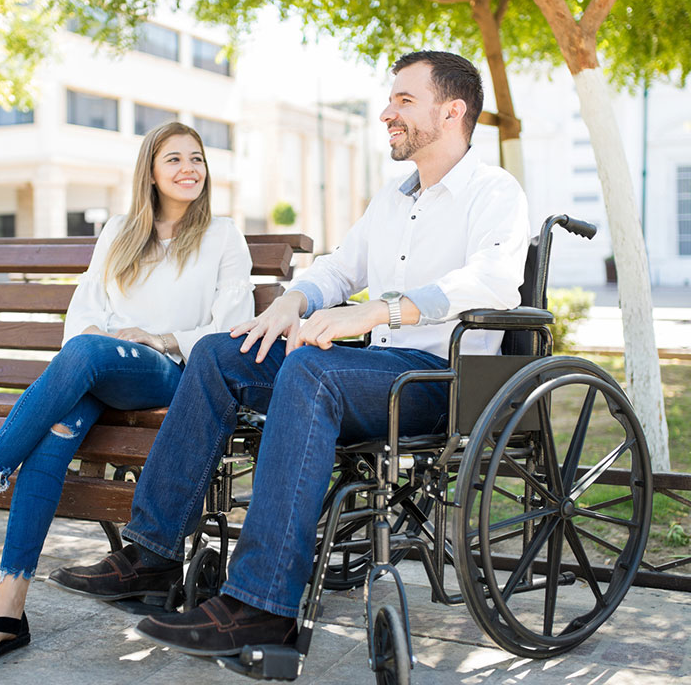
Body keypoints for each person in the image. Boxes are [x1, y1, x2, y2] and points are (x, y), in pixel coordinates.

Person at [49, 50, 530, 657]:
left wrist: (379, 310)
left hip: (438, 381)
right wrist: (292, 301)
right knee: (223, 355)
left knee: (310, 369)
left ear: (453, 110)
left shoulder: (494, 192)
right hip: (366, 370)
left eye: (404, 100)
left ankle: (260, 606)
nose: (387, 112)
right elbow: (338, 267)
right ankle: (152, 556)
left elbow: (491, 281)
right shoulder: (393, 199)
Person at [0, 121, 254, 678]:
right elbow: (85, 313)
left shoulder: (222, 235)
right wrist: (107, 345)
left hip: (173, 373)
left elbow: (232, 326)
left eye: (197, 159)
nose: (188, 169)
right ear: (150, 172)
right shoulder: (121, 231)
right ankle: (6, 612)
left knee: (86, 353)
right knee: (52, 439)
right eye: (174, 159)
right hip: (99, 371)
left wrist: (159, 339)